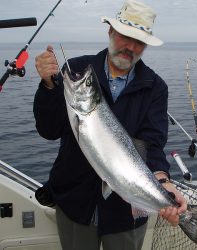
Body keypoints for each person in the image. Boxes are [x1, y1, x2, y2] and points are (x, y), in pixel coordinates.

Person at [34, 0, 187, 249]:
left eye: (139, 41)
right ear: (110, 31)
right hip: (74, 203)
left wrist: (163, 181)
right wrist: (49, 86)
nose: (130, 47)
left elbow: (151, 144)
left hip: (126, 211)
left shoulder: (155, 87)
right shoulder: (78, 70)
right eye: (125, 36)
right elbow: (48, 130)